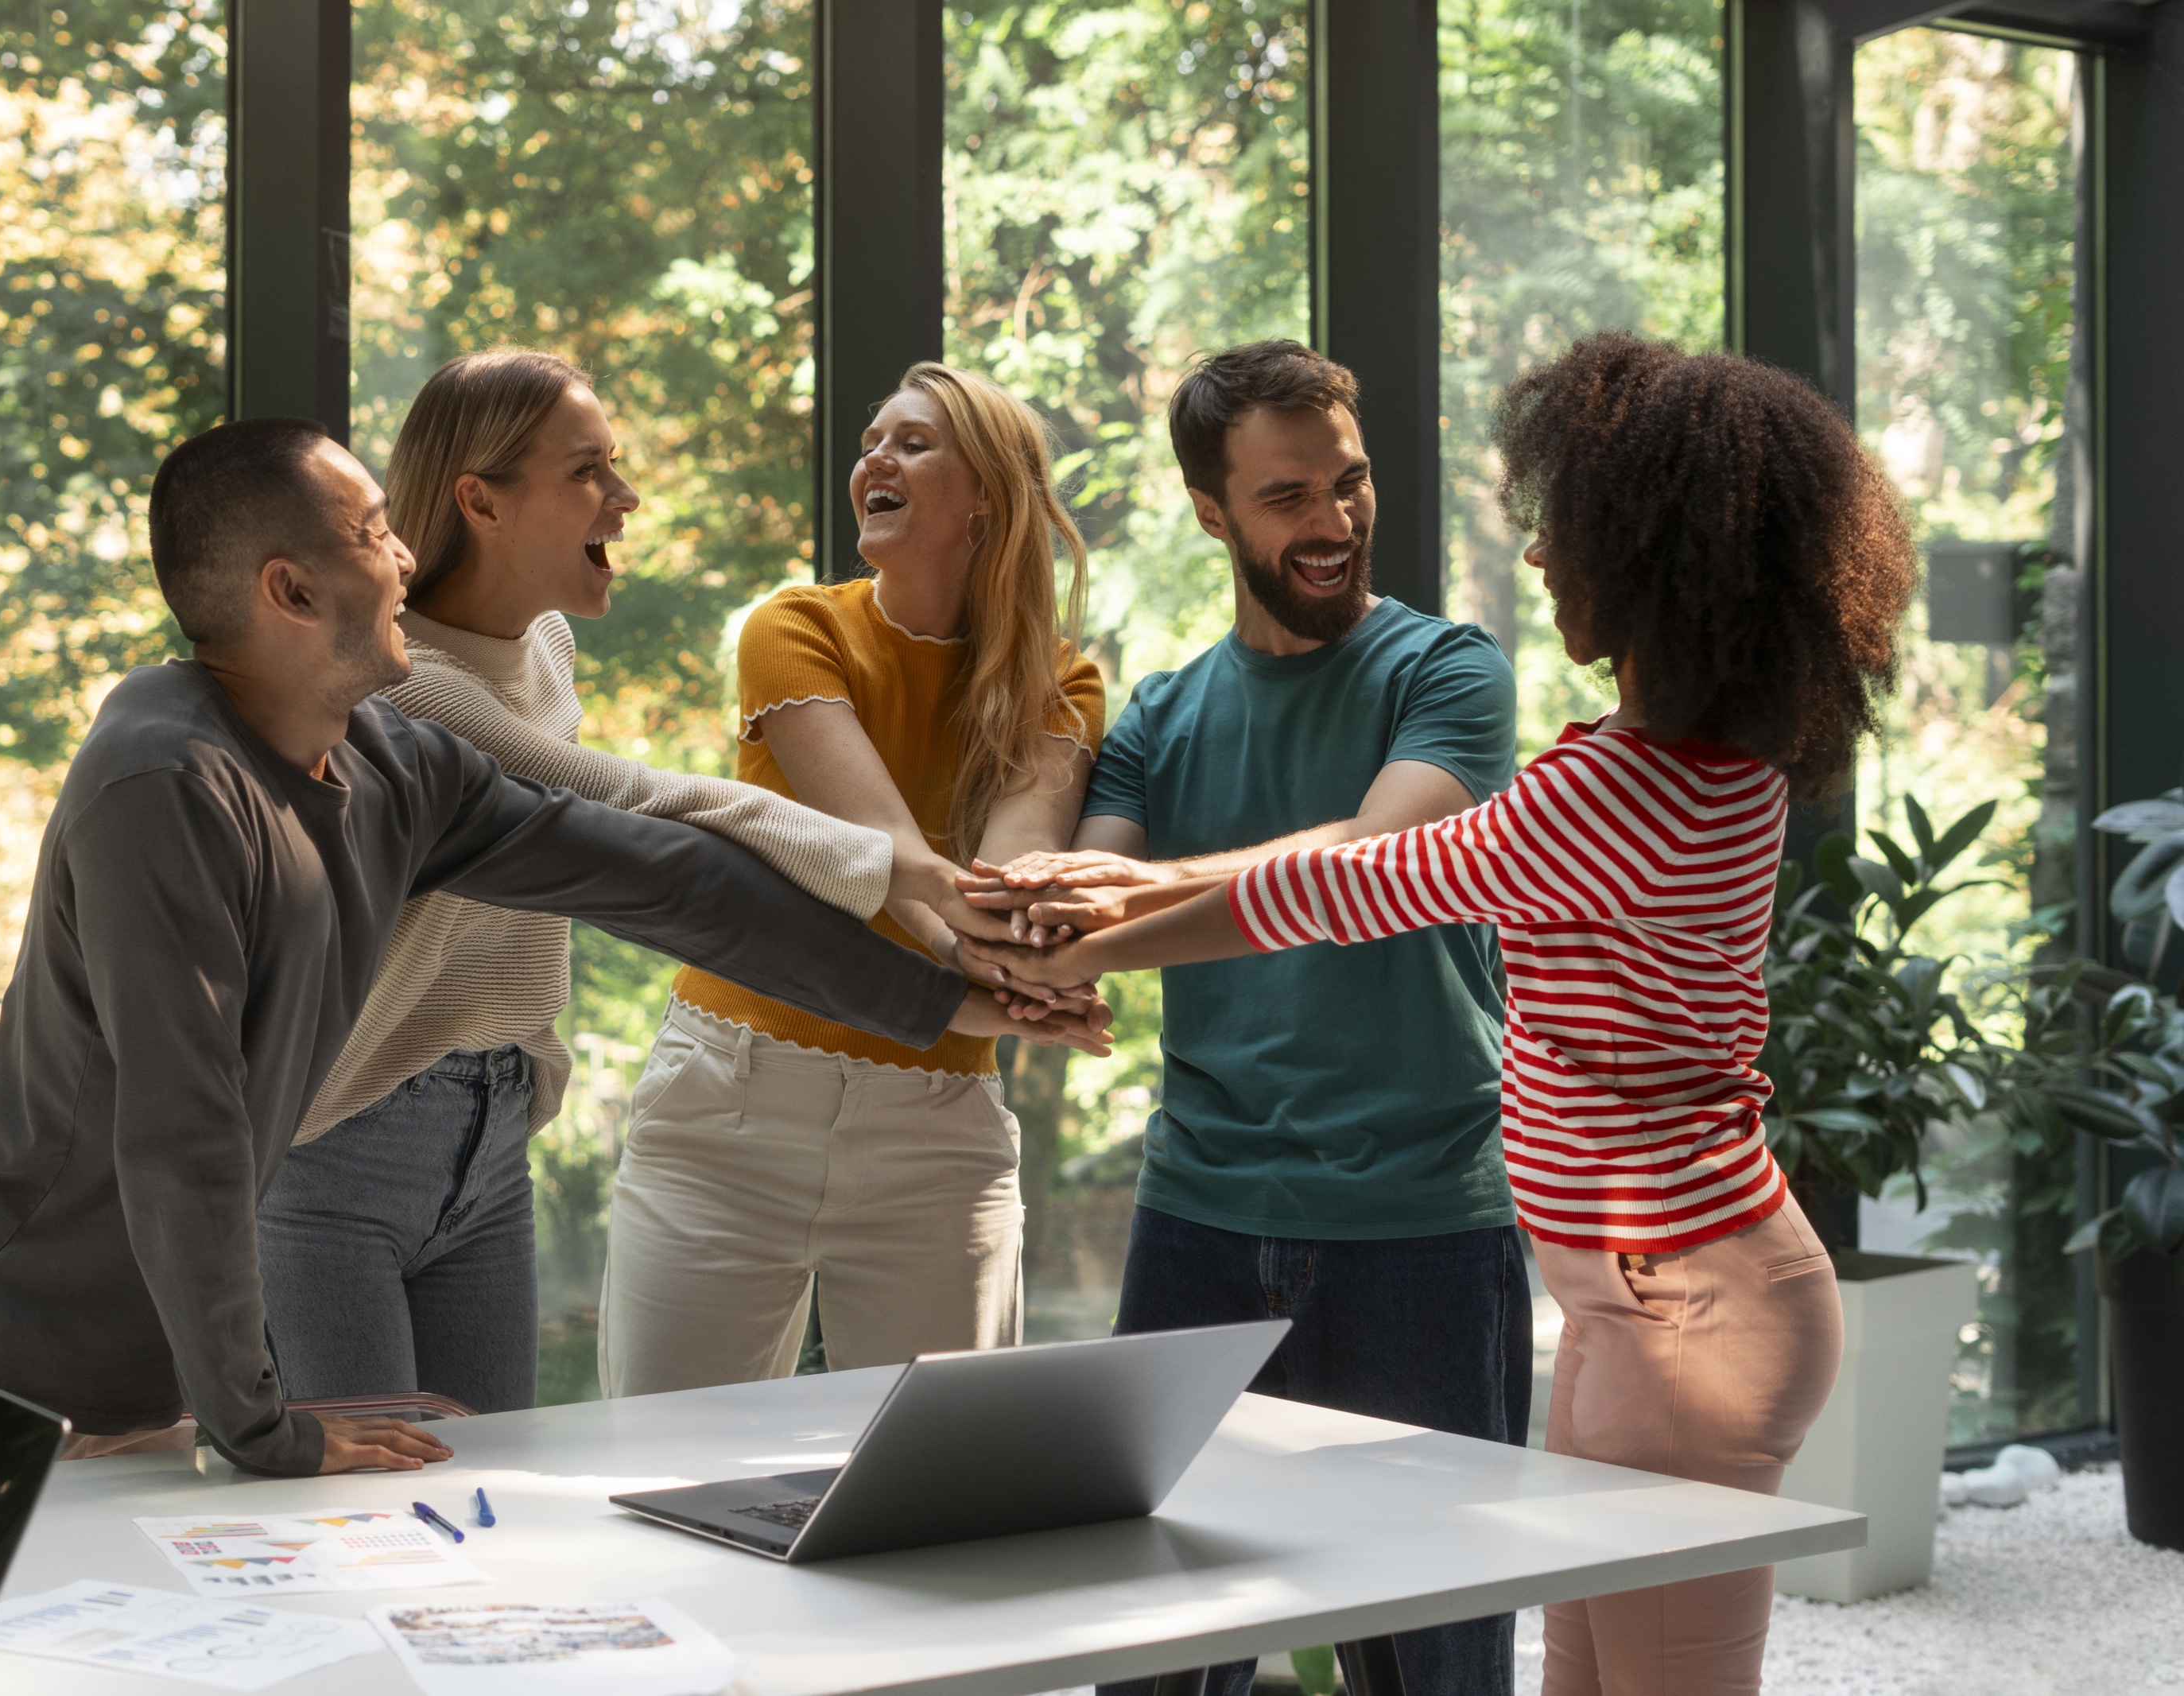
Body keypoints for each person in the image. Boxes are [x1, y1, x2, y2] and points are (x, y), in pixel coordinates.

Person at [0, 416, 1096, 1477]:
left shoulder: (395, 762)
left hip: (155, 1358)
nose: (404, 561)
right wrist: (262, 1428)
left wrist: (944, 1001)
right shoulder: (160, 782)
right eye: (373, 535)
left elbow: (665, 878)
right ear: (287, 592)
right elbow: (182, 1128)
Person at [973, 332, 1916, 1696]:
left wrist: (1131, 890)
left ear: (1658, 564)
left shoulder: (1613, 791)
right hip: (1634, 1302)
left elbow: (1359, 881)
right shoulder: (1699, 768)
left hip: (1686, 1304)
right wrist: (1101, 902)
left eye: (1570, 535)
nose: (1539, 562)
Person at [259, 351, 1094, 1415]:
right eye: (588, 472)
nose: (627, 496)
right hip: (352, 1131)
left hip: (494, 1125)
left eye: (615, 464)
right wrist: (932, 912)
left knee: (489, 1493)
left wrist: (988, 957)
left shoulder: (548, 643)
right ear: (482, 502)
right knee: (369, 1508)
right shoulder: (415, 688)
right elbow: (635, 815)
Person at [963, 340, 1525, 1696]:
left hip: (1422, 1230)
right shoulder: (1160, 716)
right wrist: (1052, 926)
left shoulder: (1449, 673)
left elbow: (1376, 873)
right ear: (1212, 512)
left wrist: (1138, 888)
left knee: (1436, 1655)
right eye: (1288, 498)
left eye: (1350, 482)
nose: (1332, 522)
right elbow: (1092, 919)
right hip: (1199, 1222)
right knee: (1153, 1653)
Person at [595, 361, 1107, 1397]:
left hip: (939, 1119)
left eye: (913, 442)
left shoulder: (1064, 682)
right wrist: (1011, 978)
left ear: (987, 501)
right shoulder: (794, 628)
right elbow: (874, 857)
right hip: (733, 1098)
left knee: (945, 1486)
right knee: (664, 1462)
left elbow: (1002, 879)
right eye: (873, 441)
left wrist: (1008, 962)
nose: (874, 457)